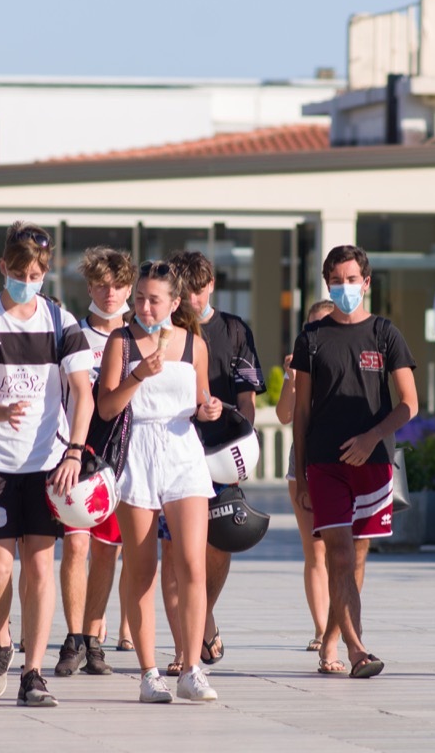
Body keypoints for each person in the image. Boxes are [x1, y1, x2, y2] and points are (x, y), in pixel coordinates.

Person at [0, 221, 94, 708]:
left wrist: (74, 451)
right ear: (2, 267)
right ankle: (0, 640)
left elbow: (85, 395)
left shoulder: (61, 321)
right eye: (19, 270)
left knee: (39, 566)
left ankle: (33, 671)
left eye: (36, 272)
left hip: (47, 463)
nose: (27, 279)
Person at [99, 260, 223, 704]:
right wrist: (138, 374)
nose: (145, 307)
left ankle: (192, 667)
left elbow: (202, 400)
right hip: (138, 449)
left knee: (192, 563)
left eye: (155, 299)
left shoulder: (194, 345)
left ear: (174, 302)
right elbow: (107, 407)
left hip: (183, 449)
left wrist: (210, 409)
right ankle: (149, 671)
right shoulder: (122, 341)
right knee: (142, 568)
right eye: (140, 299)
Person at [291, 244, 417, 679]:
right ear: (327, 283)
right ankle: (358, 648)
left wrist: (371, 437)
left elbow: (409, 404)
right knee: (339, 555)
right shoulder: (311, 337)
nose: (344, 287)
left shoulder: (385, 334)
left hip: (374, 463)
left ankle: (332, 636)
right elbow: (302, 411)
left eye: (351, 279)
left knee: (356, 559)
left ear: (366, 283)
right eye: (335, 280)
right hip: (325, 462)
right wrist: (303, 473)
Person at [158, 250, 265, 672]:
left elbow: (247, 400)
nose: (193, 301)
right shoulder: (165, 333)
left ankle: (204, 616)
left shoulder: (234, 331)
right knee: (175, 554)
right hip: (174, 451)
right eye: (185, 294)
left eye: (199, 292)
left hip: (221, 456)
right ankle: (185, 651)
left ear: (212, 287)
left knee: (219, 547)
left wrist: (242, 443)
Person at [53, 246, 135, 678]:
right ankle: (72, 636)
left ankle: (94, 639)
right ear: (89, 286)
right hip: (76, 454)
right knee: (76, 546)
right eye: (102, 284)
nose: (110, 292)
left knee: (107, 551)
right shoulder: (73, 333)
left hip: (121, 460)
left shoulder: (138, 336)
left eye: (119, 285)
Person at [275, 299, 335, 653]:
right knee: (315, 551)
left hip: (343, 463)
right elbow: (284, 415)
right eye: (311, 326)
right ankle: (322, 628)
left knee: (343, 551)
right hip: (303, 465)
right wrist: (290, 378)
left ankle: (342, 626)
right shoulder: (300, 366)